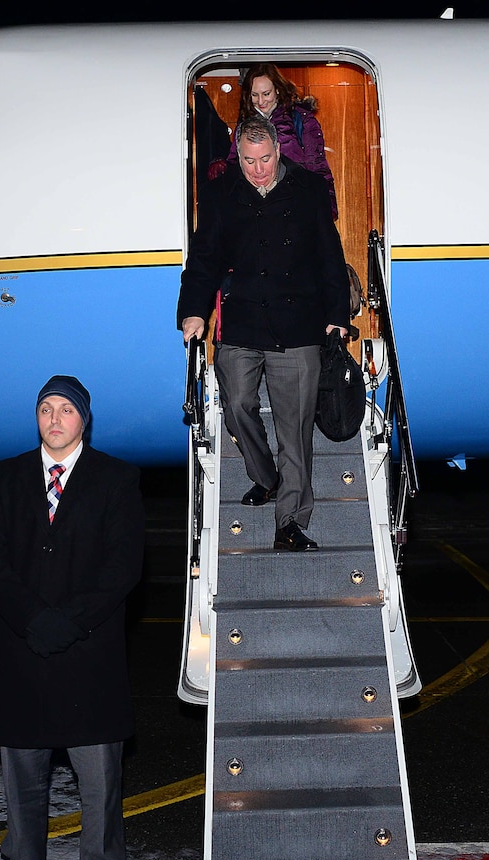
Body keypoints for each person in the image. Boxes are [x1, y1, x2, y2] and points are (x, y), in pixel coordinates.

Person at [0, 375, 145, 860]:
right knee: (22, 785)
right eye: (46, 408)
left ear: (84, 419)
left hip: (88, 658)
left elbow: (124, 567)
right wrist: (33, 620)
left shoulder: (117, 479)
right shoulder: (3, 478)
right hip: (20, 656)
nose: (54, 418)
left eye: (66, 409)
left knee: (100, 790)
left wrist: (67, 622)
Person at [178, 115, 349, 552]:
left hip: (298, 324)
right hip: (243, 320)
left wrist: (337, 315)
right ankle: (267, 478)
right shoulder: (220, 195)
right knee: (236, 406)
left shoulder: (308, 189)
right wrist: (194, 312)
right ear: (238, 154)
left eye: (265, 159)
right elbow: (204, 260)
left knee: (294, 431)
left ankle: (289, 522)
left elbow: (330, 256)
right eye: (249, 160)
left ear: (278, 149)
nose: (258, 169)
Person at [209, 64, 339, 220]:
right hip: (257, 206)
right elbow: (236, 164)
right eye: (254, 95)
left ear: (277, 89)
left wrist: (328, 207)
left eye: (266, 93)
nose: (261, 101)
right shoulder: (244, 124)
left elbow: (317, 165)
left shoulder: (300, 118)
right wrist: (221, 167)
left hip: (295, 202)